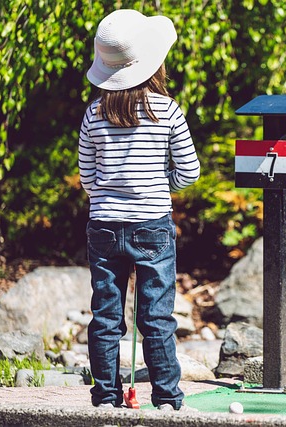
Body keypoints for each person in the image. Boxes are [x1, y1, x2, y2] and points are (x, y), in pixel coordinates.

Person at [78, 9, 200, 410]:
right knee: (156, 317)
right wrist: (160, 187)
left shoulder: (93, 113)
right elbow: (190, 171)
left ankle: (106, 397)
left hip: (104, 227)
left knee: (106, 318)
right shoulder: (167, 110)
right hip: (152, 225)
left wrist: (109, 195)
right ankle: (166, 398)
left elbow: (87, 175)